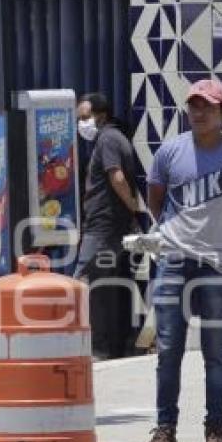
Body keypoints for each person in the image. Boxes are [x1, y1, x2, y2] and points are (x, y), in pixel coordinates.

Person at [138, 79, 222, 442]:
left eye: (207, 106)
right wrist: (179, 237)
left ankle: (215, 431)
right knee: (169, 350)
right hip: (173, 261)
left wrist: (218, 235)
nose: (199, 113)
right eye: (193, 106)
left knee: (216, 352)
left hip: (217, 266)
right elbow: (156, 201)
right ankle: (165, 430)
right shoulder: (169, 152)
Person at [73, 93, 140, 359]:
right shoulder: (110, 138)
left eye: (85, 117)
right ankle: (105, 346)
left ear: (102, 115)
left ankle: (95, 348)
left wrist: (134, 206)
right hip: (107, 225)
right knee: (103, 287)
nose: (82, 124)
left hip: (103, 227)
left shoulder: (108, 139)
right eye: (79, 119)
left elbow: (117, 176)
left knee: (82, 282)